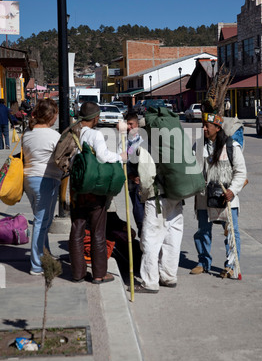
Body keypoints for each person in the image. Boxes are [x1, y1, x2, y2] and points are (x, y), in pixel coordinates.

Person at [69, 101, 127, 284]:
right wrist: (119, 157)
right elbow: (102, 156)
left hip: (77, 189)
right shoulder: (95, 134)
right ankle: (99, 274)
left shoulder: (72, 132)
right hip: (94, 190)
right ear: (95, 118)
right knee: (97, 232)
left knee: (77, 230)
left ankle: (78, 273)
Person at [190, 112, 247, 278]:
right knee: (202, 231)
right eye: (203, 125)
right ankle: (203, 262)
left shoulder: (231, 146)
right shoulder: (198, 146)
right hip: (203, 197)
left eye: (207, 126)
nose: (204, 128)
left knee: (231, 233)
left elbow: (241, 172)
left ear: (217, 127)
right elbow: (193, 168)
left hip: (226, 198)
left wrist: (232, 190)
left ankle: (231, 265)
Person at [131, 137, 184, 294]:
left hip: (157, 197)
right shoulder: (175, 143)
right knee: (172, 238)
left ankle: (150, 282)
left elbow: (140, 168)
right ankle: (169, 276)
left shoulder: (146, 145)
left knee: (150, 240)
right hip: (177, 196)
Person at [22, 98, 62, 275]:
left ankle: (44, 253)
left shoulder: (27, 133)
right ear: (51, 115)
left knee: (42, 220)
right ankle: (37, 265)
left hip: (28, 179)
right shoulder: (54, 136)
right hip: (46, 179)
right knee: (40, 222)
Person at [117, 112, 144, 237]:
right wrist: (129, 176)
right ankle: (142, 232)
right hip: (131, 179)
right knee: (136, 207)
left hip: (142, 179)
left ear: (137, 124)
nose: (129, 127)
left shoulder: (142, 139)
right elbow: (121, 159)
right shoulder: (124, 140)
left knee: (144, 210)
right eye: (127, 124)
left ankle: (144, 233)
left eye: (131, 124)